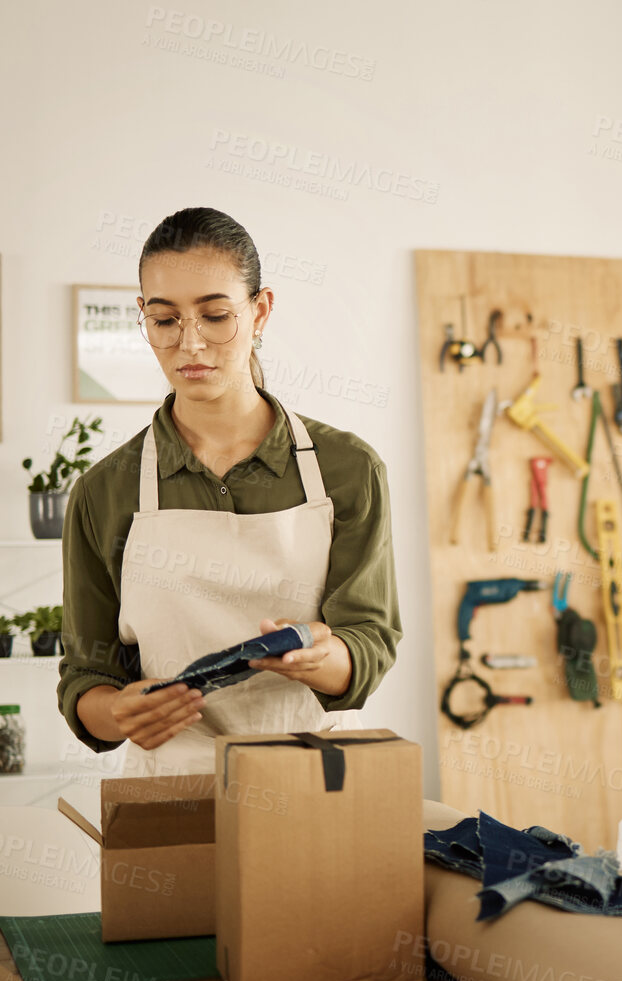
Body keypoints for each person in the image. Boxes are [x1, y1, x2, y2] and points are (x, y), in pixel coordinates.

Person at [57, 206, 400, 777]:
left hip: (319, 783)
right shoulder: (105, 490)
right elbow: (86, 679)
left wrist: (321, 658)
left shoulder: (348, 469)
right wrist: (119, 712)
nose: (191, 343)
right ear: (143, 318)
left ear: (260, 310)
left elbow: (369, 641)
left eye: (215, 315)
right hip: (172, 790)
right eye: (165, 321)